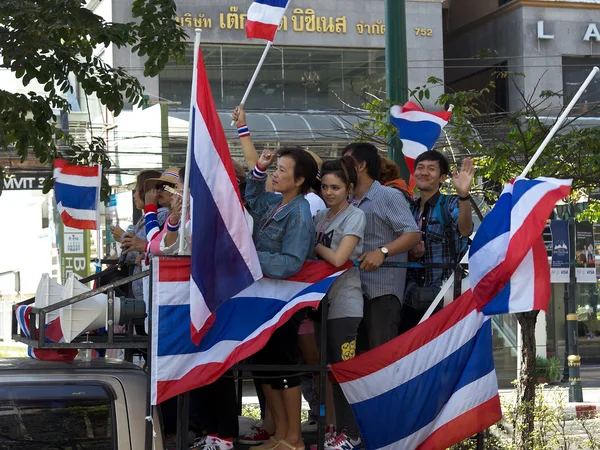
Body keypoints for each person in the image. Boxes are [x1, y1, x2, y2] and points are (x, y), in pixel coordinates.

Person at [159, 166, 239, 450]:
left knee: (219, 370)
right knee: (200, 370)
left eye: (182, 186)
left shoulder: (222, 214)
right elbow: (163, 249)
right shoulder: (186, 217)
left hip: (217, 302)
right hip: (190, 302)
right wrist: (175, 219)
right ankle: (211, 430)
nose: (176, 192)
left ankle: (226, 434)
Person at [245, 147, 319, 450]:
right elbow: (253, 199)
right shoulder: (276, 202)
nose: (275, 174)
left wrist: (249, 257)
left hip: (284, 303)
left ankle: (294, 438)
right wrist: (258, 170)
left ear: (299, 179)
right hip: (266, 300)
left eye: (281, 170)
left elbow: (291, 262)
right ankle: (279, 435)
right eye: (275, 169)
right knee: (265, 365)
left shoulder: (300, 213)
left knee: (284, 367)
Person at [342, 143, 420, 350]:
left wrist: (383, 252)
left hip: (382, 291)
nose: (342, 167)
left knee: (381, 355)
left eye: (346, 161)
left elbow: (412, 234)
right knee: (354, 356)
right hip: (351, 289)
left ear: (360, 165)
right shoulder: (346, 199)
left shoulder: (389, 195)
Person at [312, 156, 366, 450]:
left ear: (349, 188)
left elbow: (338, 258)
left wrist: (312, 242)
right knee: (329, 372)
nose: (329, 192)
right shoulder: (321, 217)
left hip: (346, 303)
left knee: (344, 372)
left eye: (335, 187)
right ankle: (336, 429)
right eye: (324, 187)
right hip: (321, 304)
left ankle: (353, 434)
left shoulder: (355, 216)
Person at [404, 150, 474, 325]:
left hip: (443, 295)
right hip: (410, 297)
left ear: (442, 178)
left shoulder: (449, 203)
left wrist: (463, 195)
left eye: (431, 169)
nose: (424, 172)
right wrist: (412, 254)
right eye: (420, 167)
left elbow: (465, 229)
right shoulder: (409, 209)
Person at [110, 169, 168, 301]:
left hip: (151, 291)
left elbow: (150, 249)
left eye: (137, 190)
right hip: (143, 289)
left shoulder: (161, 215)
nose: (134, 195)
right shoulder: (146, 218)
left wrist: (124, 237)